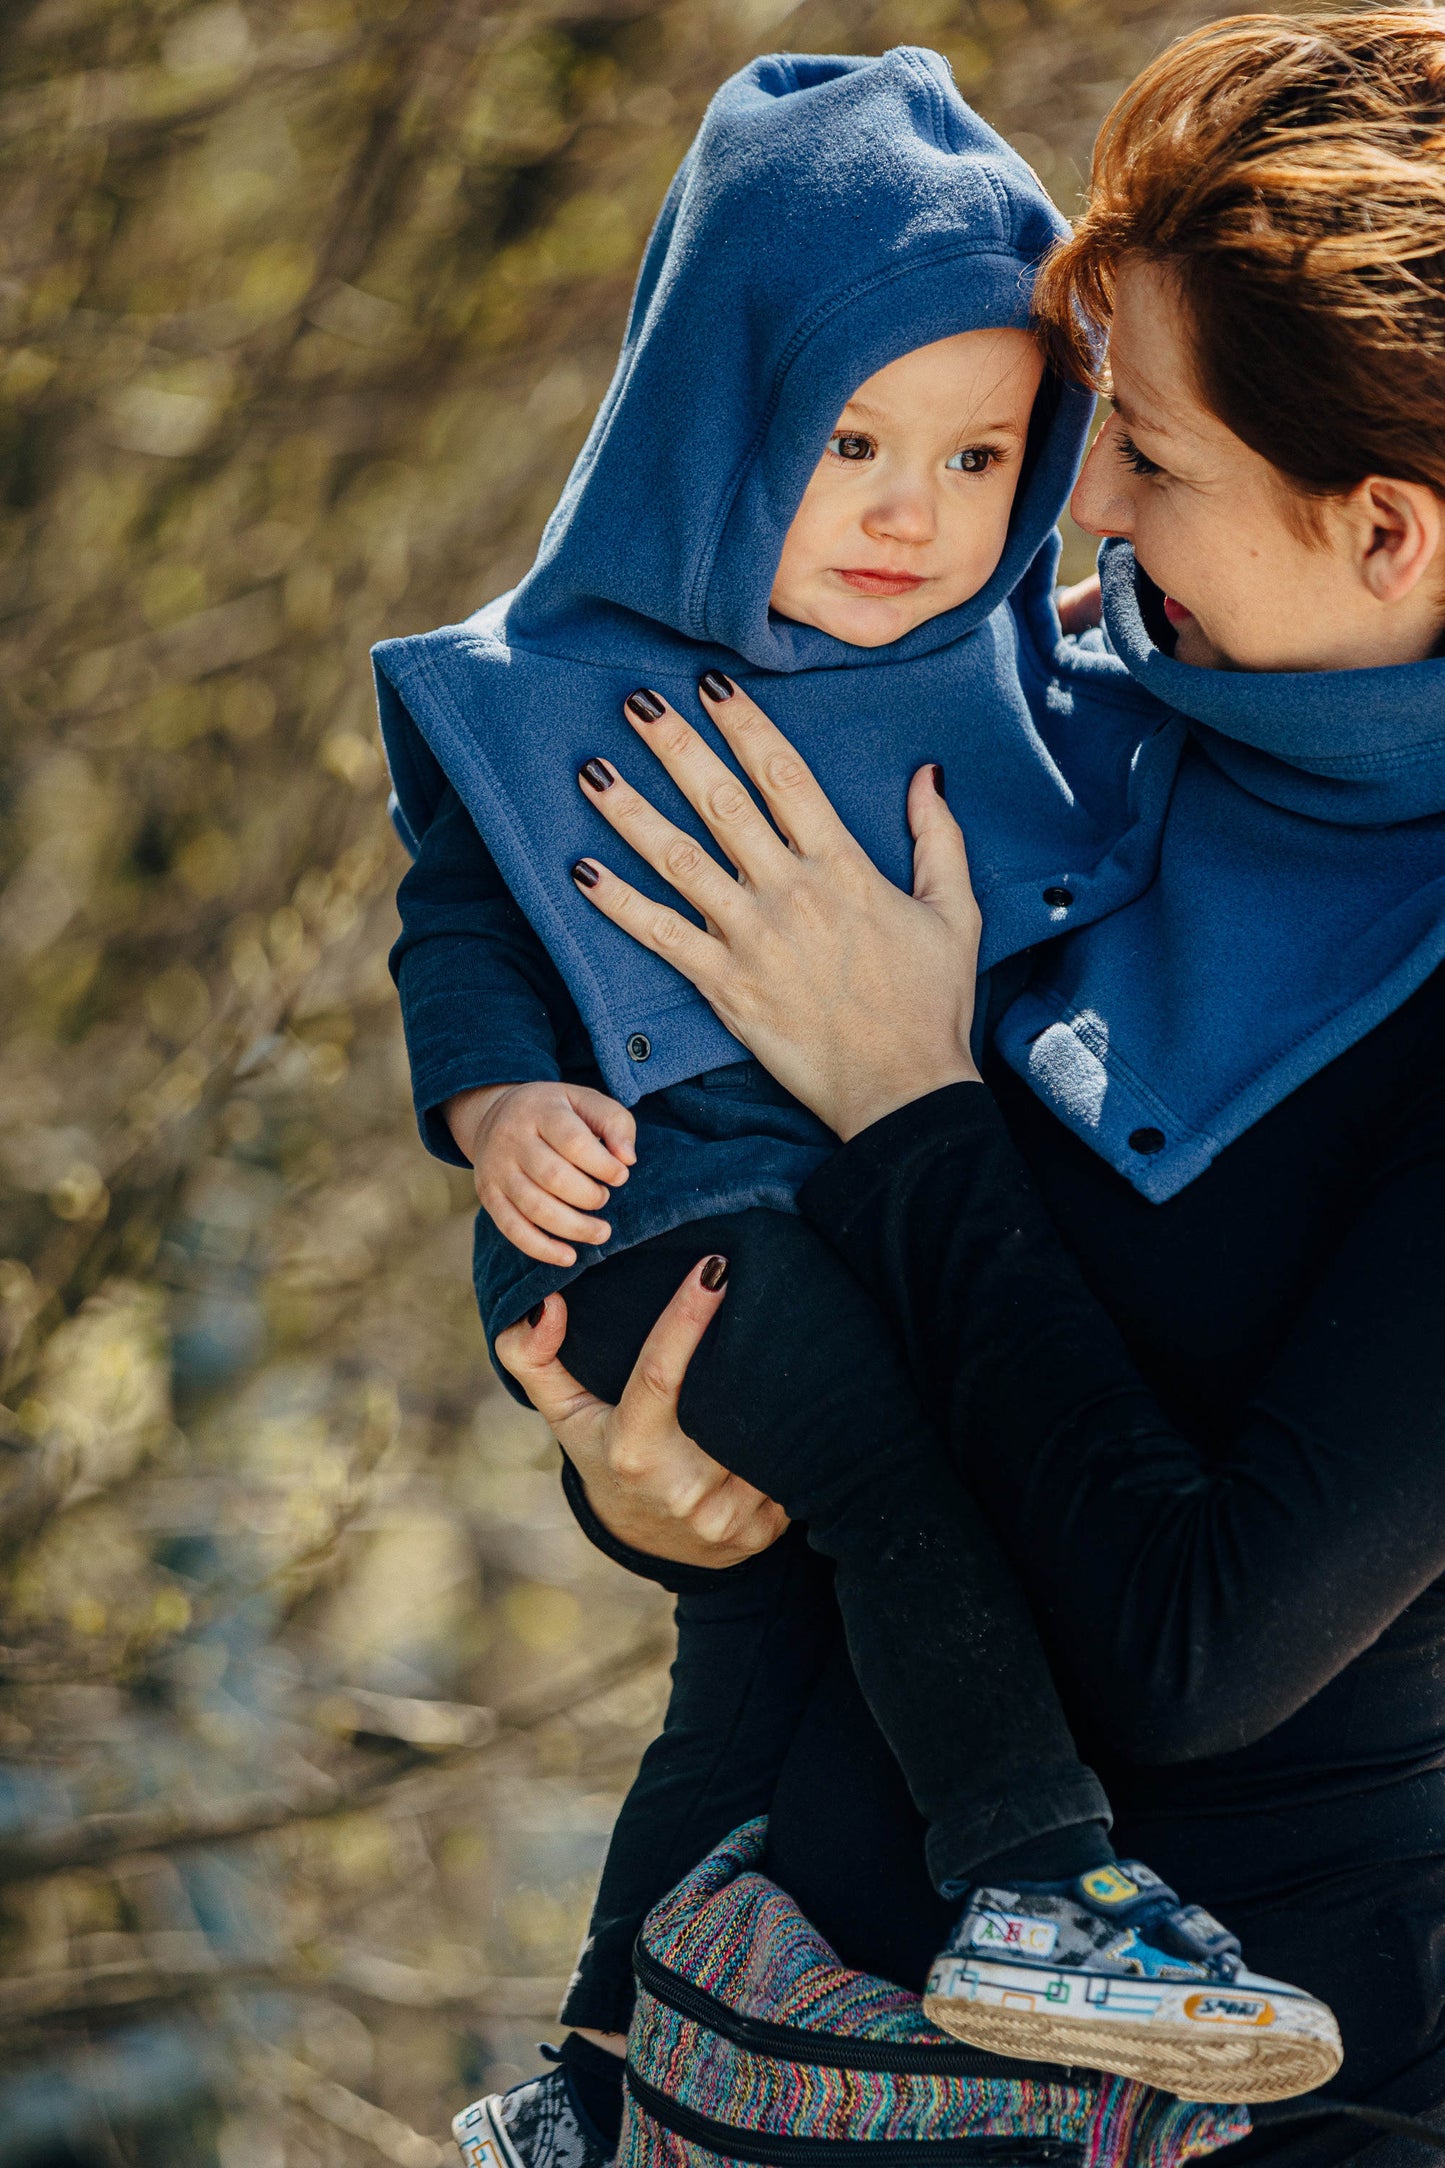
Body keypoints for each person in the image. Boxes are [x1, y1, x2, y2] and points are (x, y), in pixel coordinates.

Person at [494, 11, 1445, 2165]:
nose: (1075, 503)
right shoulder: (1004, 698)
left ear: (1390, 532)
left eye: (1158, 457)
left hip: (1273, 2092)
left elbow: (1192, 1645)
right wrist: (661, 1493)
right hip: (767, 2047)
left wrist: (920, 1108)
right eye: (1092, 416)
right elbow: (735, 1204)